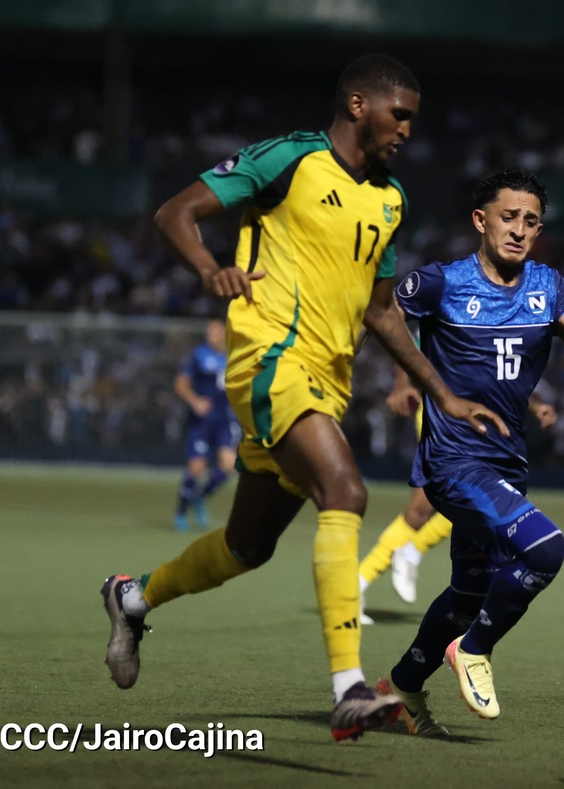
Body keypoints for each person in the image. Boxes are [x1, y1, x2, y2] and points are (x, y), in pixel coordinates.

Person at [99, 54, 507, 743]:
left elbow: (381, 312)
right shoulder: (289, 158)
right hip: (268, 360)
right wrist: (211, 269)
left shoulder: (391, 200)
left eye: (413, 118)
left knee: (246, 546)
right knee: (345, 491)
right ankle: (349, 688)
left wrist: (442, 392)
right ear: (357, 105)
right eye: (398, 114)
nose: (407, 130)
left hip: (327, 382)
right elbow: (177, 212)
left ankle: (132, 597)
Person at [373, 168, 564, 737]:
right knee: (545, 550)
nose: (518, 229)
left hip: (507, 464)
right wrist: (402, 380)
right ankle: (474, 649)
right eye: (508, 217)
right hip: (453, 463)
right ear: (480, 220)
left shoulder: (549, 287)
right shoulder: (441, 282)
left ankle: (401, 691)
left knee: (470, 593)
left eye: (530, 221)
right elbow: (382, 317)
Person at [358, 367, 557, 621]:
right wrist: (401, 382)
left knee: (422, 513)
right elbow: (408, 344)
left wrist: (534, 405)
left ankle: (357, 584)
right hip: (446, 413)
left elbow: (500, 374)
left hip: (478, 420)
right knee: (470, 501)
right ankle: (409, 552)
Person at [173, 317, 241, 531]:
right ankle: (181, 511)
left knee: (229, 465)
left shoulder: (235, 355)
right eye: (209, 332)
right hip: (203, 420)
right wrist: (195, 401)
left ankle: (199, 498)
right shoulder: (198, 355)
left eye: (215, 331)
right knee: (197, 466)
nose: (210, 335)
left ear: (224, 333)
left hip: (226, 418)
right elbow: (180, 384)